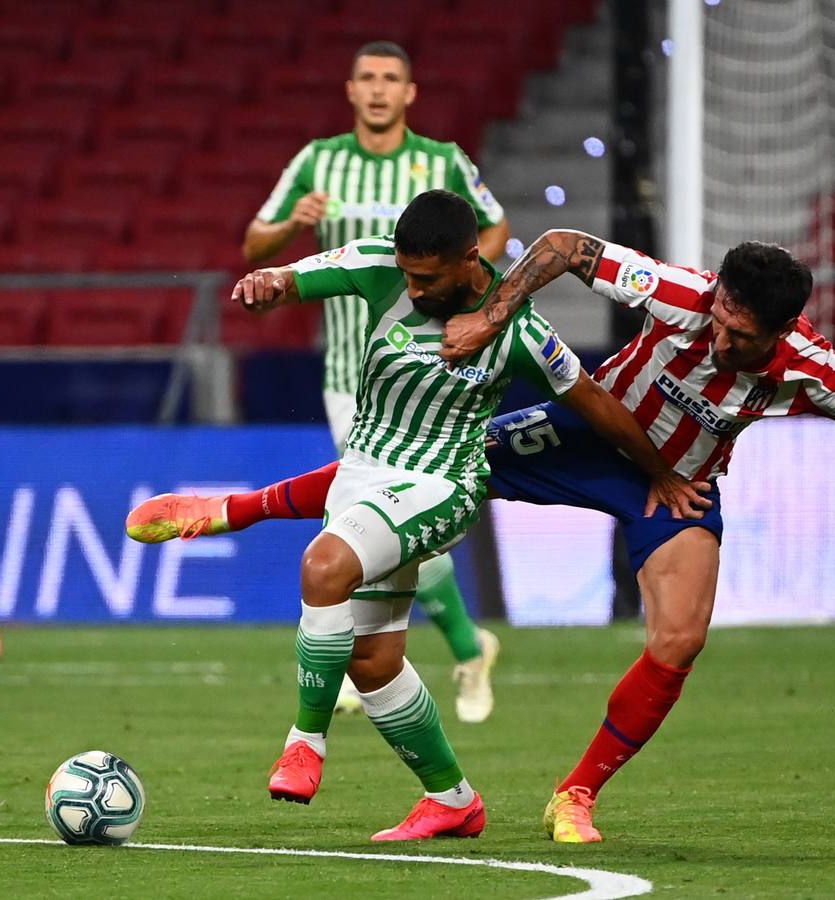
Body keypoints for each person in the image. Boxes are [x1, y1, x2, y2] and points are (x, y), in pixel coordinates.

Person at [126, 228, 835, 843]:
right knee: (433, 462)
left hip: (676, 486)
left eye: (742, 336)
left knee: (681, 637)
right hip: (586, 435)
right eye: (721, 317)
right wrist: (493, 312)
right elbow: (561, 246)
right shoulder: (681, 294)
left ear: (778, 333)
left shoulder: (813, 372)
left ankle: (576, 794)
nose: (722, 336)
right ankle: (232, 510)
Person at [138, 190, 705, 841]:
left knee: (323, 568)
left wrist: (660, 468)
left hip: (445, 483)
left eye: (427, 278)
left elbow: (593, 401)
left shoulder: (519, 331)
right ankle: (453, 799)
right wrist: (270, 283)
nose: (412, 287)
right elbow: (295, 277)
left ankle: (305, 741)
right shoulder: (381, 266)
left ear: (470, 261)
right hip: (364, 474)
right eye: (407, 274)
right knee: (373, 661)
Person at [242, 41, 511, 722]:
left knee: (390, 522)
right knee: (375, 522)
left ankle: (445, 650)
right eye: (368, 77)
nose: (380, 89)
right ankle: (453, 646)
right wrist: (290, 226)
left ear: (410, 93)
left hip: (439, 375)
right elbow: (254, 245)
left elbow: (495, 227)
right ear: (351, 89)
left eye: (392, 78)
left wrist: (472, 300)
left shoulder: (443, 159)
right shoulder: (316, 160)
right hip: (352, 376)